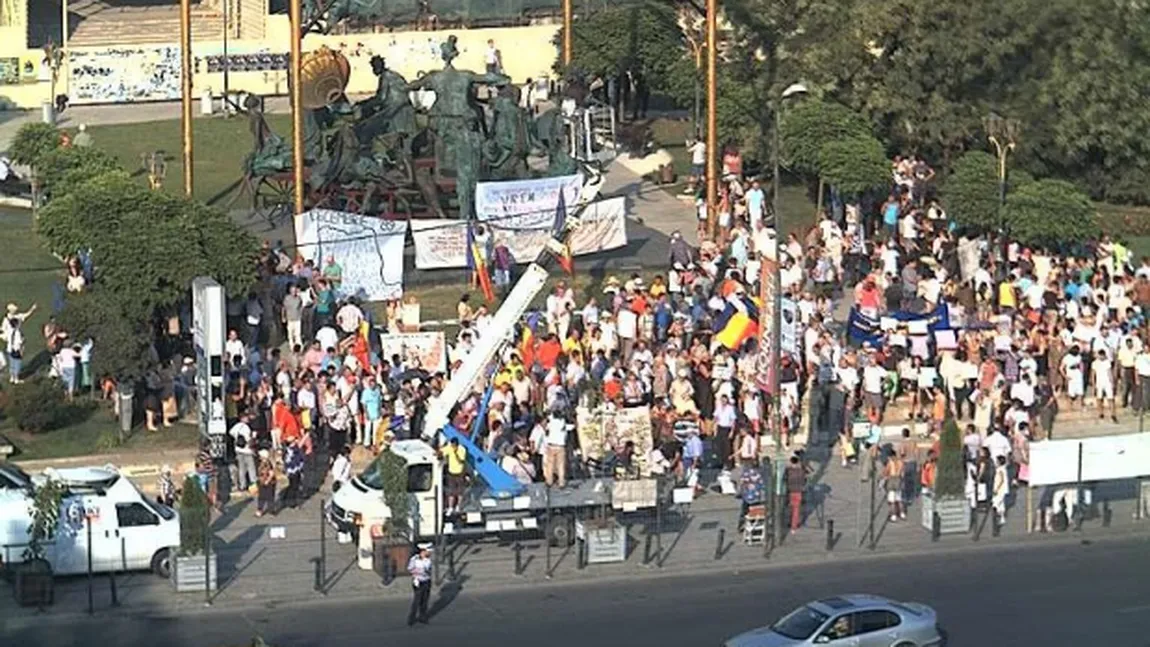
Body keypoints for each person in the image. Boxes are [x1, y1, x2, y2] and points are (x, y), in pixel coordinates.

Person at [406, 543, 433, 626]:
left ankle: (422, 616)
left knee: (425, 600)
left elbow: (429, 571)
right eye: (428, 551)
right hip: (418, 581)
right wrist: (418, 572)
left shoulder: (428, 560)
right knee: (417, 600)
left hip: (426, 581)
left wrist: (425, 572)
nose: (430, 553)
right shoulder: (414, 559)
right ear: (423, 551)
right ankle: (411, 618)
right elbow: (409, 568)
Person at [440, 437, 467, 515]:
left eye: (454, 445)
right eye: (452, 445)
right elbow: (442, 451)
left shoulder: (462, 450)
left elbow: (461, 461)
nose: (452, 446)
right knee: (451, 491)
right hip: (451, 472)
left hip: (459, 472)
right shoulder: (450, 447)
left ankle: (458, 506)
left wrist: (455, 453)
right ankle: (450, 507)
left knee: (459, 491)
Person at [785, 455, 806, 533]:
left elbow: (784, 479)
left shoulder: (788, 471)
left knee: (790, 508)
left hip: (790, 491)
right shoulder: (801, 471)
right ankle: (794, 526)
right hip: (798, 491)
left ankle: (790, 522)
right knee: (796, 509)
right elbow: (805, 479)